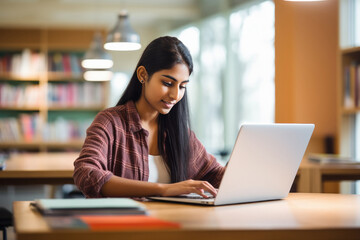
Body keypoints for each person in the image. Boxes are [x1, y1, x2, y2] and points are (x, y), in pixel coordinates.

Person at [73, 36, 225, 199]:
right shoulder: (110, 122)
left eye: (182, 86)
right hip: (122, 223)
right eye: (167, 83)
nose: (175, 95)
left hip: (173, 222)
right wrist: (163, 189)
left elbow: (215, 175)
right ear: (143, 75)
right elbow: (87, 173)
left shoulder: (181, 133)